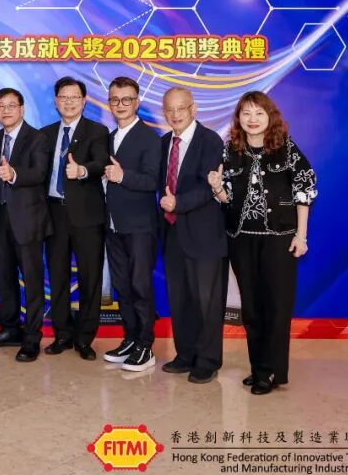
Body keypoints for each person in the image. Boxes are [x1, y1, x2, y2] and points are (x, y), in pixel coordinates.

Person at [210, 91, 317, 395]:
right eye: (246, 113)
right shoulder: (230, 150)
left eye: (259, 113)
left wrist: (301, 235)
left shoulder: (285, 148)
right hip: (241, 239)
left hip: (279, 240)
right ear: (238, 118)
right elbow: (227, 198)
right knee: (252, 309)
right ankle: (259, 367)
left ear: (270, 117)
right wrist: (217, 188)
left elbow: (304, 189)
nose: (252, 119)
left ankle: (270, 371)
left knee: (277, 307)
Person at [158, 87, 228, 384]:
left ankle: (208, 360)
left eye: (181, 108)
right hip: (173, 233)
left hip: (204, 235)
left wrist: (178, 203)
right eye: (169, 109)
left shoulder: (210, 141)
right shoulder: (164, 142)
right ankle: (185, 354)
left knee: (207, 301)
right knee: (180, 298)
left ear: (193, 108)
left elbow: (208, 188)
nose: (175, 115)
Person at [40, 76, 109, 360]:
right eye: (63, 97)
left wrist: (82, 171)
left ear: (83, 101)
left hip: (87, 215)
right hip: (54, 213)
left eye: (74, 97)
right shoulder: (44, 134)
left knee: (90, 277)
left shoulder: (97, 131)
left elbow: (101, 162)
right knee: (57, 276)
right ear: (56, 101)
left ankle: (84, 338)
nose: (69, 102)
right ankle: (62, 334)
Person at [101, 77, 162, 372]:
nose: (120, 105)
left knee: (140, 286)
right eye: (115, 99)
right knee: (122, 286)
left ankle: (145, 345)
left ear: (136, 102)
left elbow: (152, 181)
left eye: (126, 99)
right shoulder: (109, 137)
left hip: (139, 226)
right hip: (113, 225)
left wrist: (123, 176)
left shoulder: (149, 137)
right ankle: (130, 338)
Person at [0, 87, 52, 362]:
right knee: (4, 279)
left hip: (28, 221)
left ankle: (32, 337)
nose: (6, 110)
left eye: (11, 105)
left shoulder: (38, 138)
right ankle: (10, 329)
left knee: (33, 281)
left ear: (22, 109)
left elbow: (39, 172)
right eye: (1, 106)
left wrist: (14, 173)